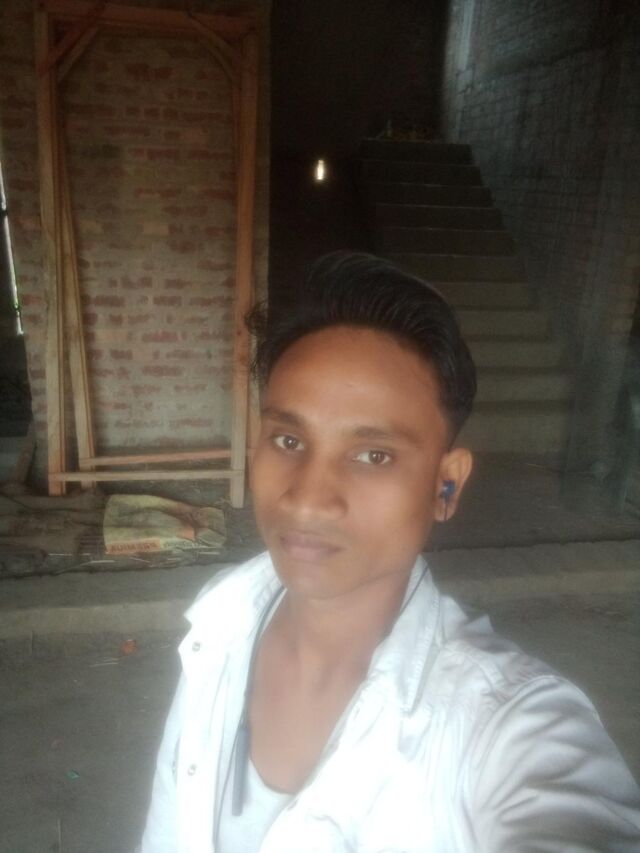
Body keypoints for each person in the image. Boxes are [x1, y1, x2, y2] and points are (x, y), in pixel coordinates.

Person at [141, 252, 640, 852]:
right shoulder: (220, 621)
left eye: (373, 455)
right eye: (289, 440)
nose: (308, 498)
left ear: (445, 485)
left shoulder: (507, 723)